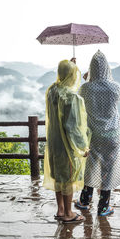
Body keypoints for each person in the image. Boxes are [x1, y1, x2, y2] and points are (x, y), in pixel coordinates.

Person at [75, 50, 120, 216]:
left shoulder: (86, 88)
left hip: (93, 135)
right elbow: (118, 98)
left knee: (91, 166)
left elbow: (80, 98)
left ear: (91, 68)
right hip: (112, 135)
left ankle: (84, 200)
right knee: (109, 168)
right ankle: (103, 207)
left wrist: (87, 79)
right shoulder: (115, 88)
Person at [43, 59, 91, 223]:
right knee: (69, 179)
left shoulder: (52, 91)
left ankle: (60, 210)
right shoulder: (72, 98)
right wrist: (82, 147)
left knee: (59, 177)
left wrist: (69, 66)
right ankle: (69, 213)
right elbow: (73, 127)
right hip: (66, 146)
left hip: (54, 143)